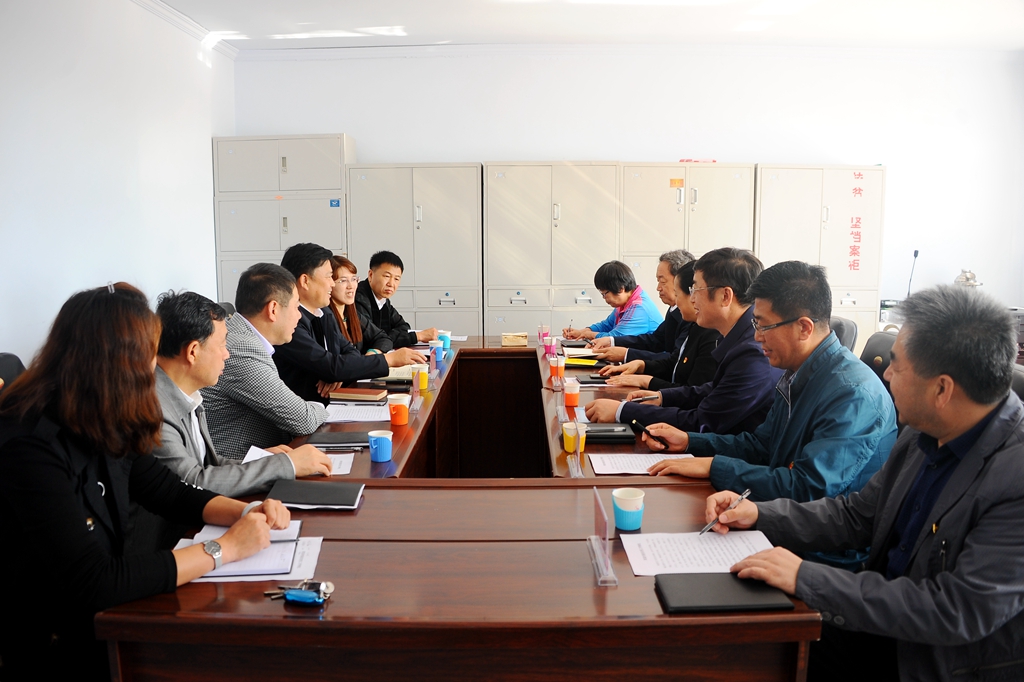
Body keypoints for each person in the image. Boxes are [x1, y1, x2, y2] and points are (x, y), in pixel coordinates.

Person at [709, 286, 1024, 681]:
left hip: (932, 660)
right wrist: (759, 514)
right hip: (880, 620)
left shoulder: (1014, 477)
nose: (885, 375)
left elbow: (956, 610)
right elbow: (857, 515)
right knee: (739, 636)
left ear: (942, 389)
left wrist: (807, 577)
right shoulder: (924, 430)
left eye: (897, 366)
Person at [0, 283, 291, 680]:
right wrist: (223, 549)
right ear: (116, 362)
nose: (154, 367)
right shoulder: (30, 444)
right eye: (149, 354)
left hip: (106, 617)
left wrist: (246, 512)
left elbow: (167, 490)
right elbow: (94, 580)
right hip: (53, 638)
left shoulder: (103, 412)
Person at [641, 261, 897, 569]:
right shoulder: (798, 371)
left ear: (804, 328)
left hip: (822, 555)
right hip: (783, 522)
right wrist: (689, 442)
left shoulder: (852, 394)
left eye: (763, 326)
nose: (756, 336)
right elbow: (762, 445)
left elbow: (808, 489)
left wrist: (714, 466)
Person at [585, 248, 781, 435]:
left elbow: (704, 421)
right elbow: (712, 390)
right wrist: (662, 396)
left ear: (725, 296)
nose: (691, 298)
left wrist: (623, 411)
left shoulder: (752, 352)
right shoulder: (736, 335)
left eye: (696, 289)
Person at [201, 263, 328, 459]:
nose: (299, 316)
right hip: (239, 467)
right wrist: (321, 408)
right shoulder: (242, 349)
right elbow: (305, 420)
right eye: (296, 306)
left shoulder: (241, 337)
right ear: (273, 309)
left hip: (266, 455)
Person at [274, 244, 426, 404]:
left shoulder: (323, 313)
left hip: (334, 401)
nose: (332, 284)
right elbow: (330, 366)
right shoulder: (289, 323)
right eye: (329, 277)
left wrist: (339, 372)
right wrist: (389, 359)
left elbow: (349, 351)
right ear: (305, 281)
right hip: (306, 408)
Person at [599, 260, 721, 390]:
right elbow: (673, 360)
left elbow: (693, 393)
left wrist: (646, 381)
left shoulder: (711, 333)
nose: (658, 288)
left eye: (662, 282)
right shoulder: (693, 323)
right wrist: (641, 365)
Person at [588, 249, 694, 364]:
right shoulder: (674, 309)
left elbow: (675, 360)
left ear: (681, 281)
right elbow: (655, 340)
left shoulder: (691, 317)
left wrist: (626, 354)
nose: (658, 288)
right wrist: (611, 341)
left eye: (663, 282)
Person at [562, 260, 662, 340]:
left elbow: (615, 338)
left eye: (605, 294)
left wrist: (589, 335)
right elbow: (606, 325)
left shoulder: (639, 308)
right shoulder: (625, 303)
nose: (603, 298)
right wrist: (581, 332)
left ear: (620, 288)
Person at [355, 250, 437, 348]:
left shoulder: (383, 300)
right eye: (387, 276)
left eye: (396, 279)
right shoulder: (358, 298)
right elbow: (373, 340)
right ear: (370, 275)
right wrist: (417, 336)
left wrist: (387, 336)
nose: (391, 284)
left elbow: (403, 326)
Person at [329, 255, 393, 355]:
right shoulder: (326, 318)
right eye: (343, 280)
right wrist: (366, 361)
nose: (351, 286)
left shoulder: (352, 314)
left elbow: (383, 338)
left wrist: (372, 353)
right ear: (329, 283)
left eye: (354, 279)